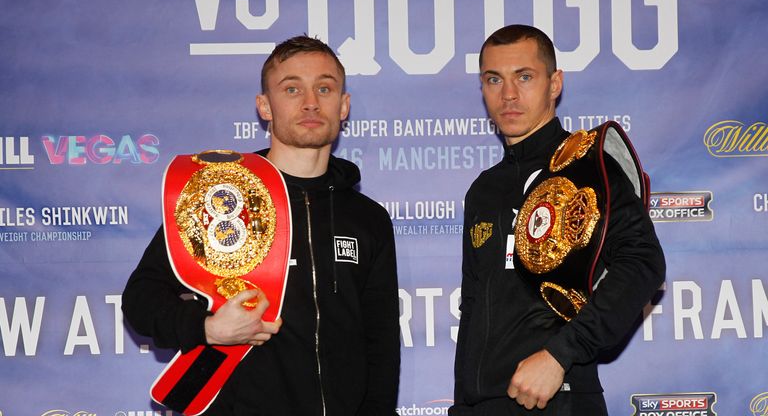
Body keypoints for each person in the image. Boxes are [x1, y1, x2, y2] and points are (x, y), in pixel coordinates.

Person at [122, 36, 400, 416]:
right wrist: (207, 329)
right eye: (291, 88)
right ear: (264, 107)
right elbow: (141, 299)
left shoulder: (367, 218)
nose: (310, 102)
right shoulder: (220, 197)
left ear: (344, 105)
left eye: (324, 87)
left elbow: (381, 343)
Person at [449, 25, 665, 415]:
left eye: (525, 77)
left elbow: (643, 264)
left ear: (555, 84)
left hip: (561, 397)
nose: (508, 94)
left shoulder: (588, 166)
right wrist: (463, 404)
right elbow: (473, 306)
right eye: (493, 79)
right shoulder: (483, 191)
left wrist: (560, 354)